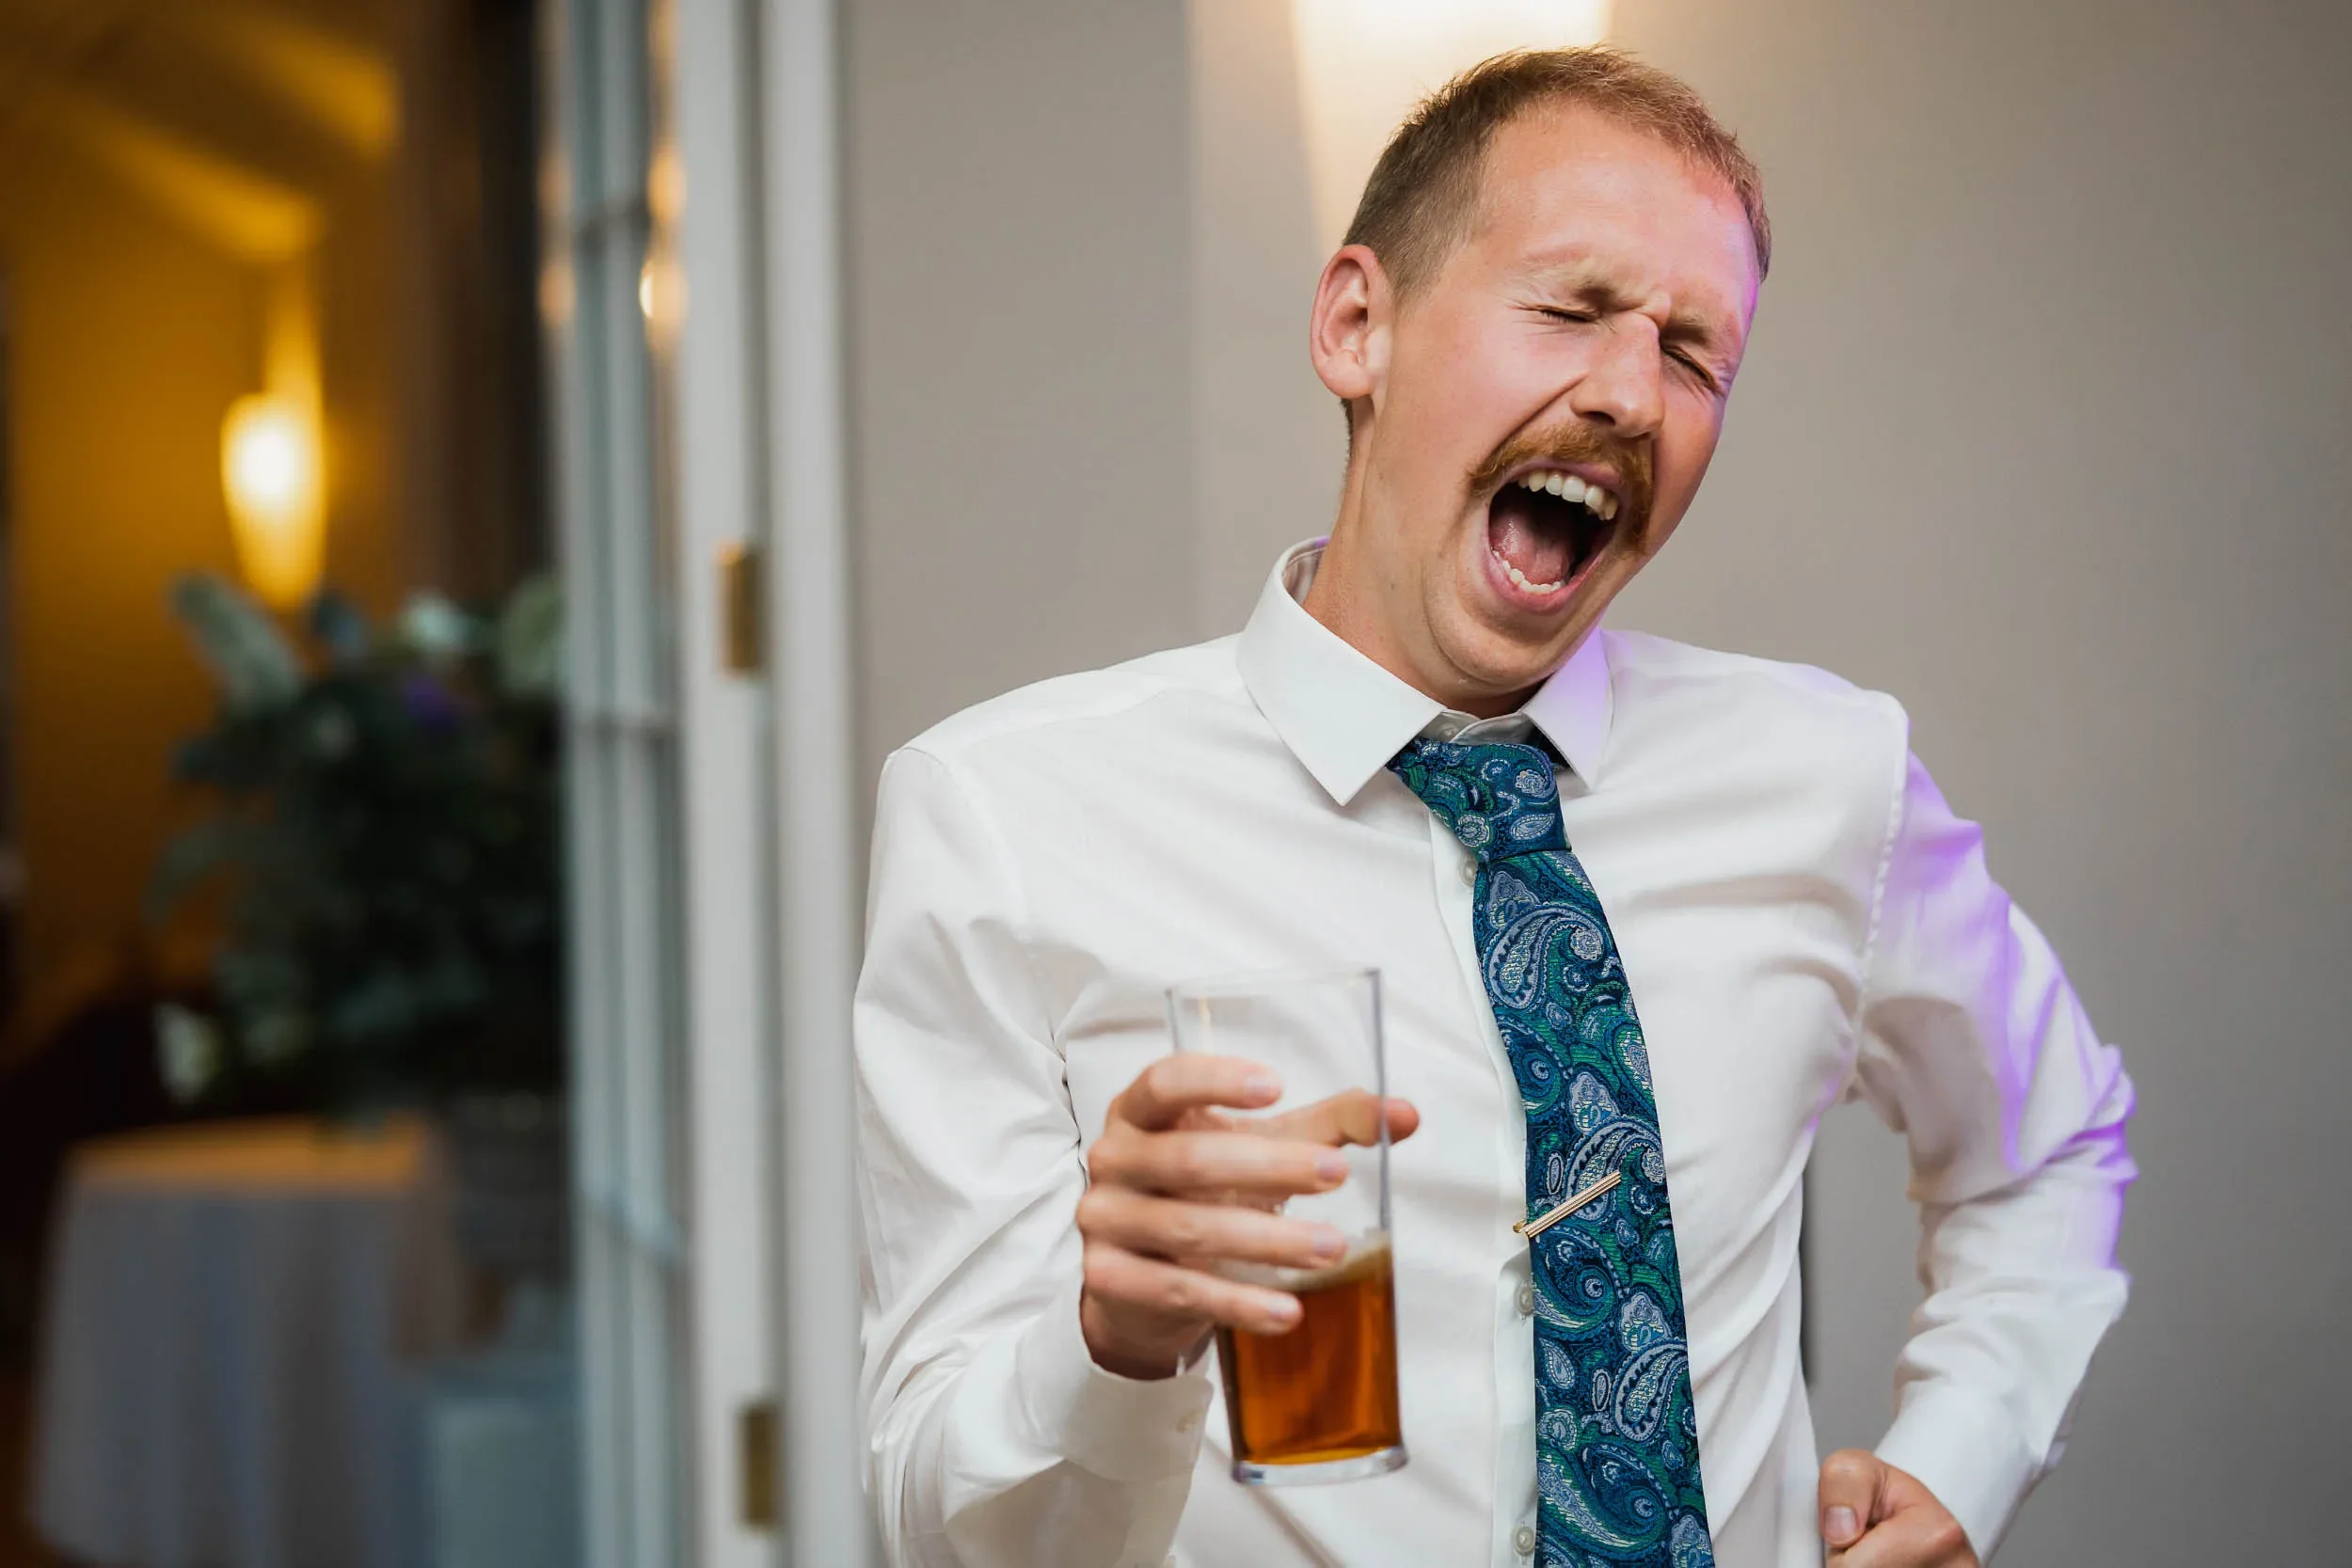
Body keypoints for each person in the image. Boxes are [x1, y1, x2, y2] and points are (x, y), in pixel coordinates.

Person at [853, 47, 2134, 1568]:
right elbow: (938, 1525)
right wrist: (1115, 1339)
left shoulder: (1824, 776)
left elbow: (2050, 1147)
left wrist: (1963, 1452)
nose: (1628, 391)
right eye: (1573, 307)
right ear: (1355, 324)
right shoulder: (1006, 815)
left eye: (1692, 351)